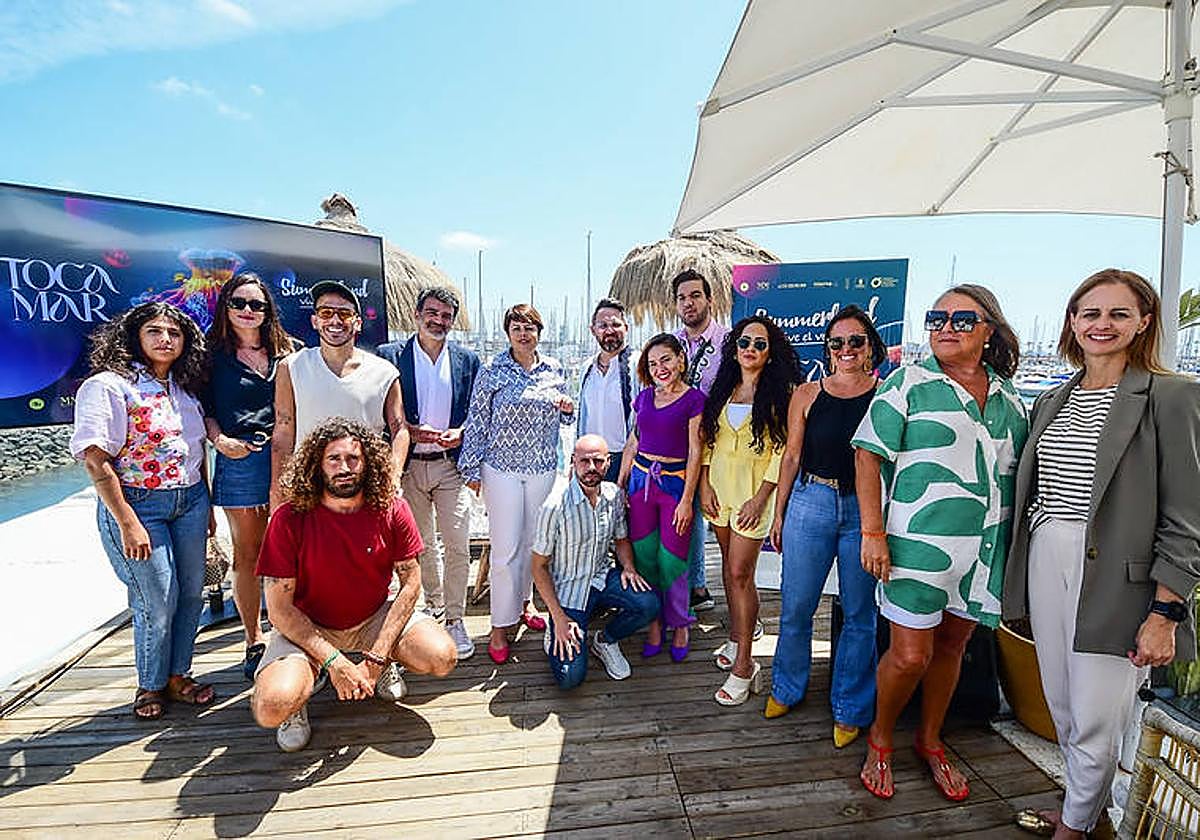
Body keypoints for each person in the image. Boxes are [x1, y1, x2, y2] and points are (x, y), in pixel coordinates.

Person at [1003, 270, 1200, 840]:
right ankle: (1088, 813)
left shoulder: (1173, 396)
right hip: (1048, 554)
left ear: (1143, 322)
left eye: (1118, 313)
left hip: (1120, 578)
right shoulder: (1051, 399)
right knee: (1061, 703)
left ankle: (1073, 827)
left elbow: (1187, 517)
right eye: (1089, 313)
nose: (1102, 324)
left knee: (1096, 712)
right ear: (1071, 322)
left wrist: (1165, 613)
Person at [853, 284, 1028, 802]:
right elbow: (867, 455)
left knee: (953, 647)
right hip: (915, 548)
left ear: (988, 331)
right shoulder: (908, 382)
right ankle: (881, 737)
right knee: (909, 656)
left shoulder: (1010, 398)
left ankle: (930, 739)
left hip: (982, 552)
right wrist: (872, 531)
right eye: (937, 318)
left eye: (960, 319)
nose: (945, 327)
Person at [251, 417, 457, 752]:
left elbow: (410, 583)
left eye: (353, 459)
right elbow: (278, 610)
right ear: (317, 465)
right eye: (334, 459)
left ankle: (386, 662)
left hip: (372, 617)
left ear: (368, 463)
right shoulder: (289, 518)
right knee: (271, 707)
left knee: (442, 656)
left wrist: (376, 658)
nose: (344, 467)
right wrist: (336, 662)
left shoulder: (391, 507)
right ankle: (303, 691)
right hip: (308, 625)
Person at [70, 302, 215, 720]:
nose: (165, 339)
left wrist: (204, 505)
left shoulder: (185, 391)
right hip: (138, 505)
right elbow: (97, 460)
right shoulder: (110, 386)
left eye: (174, 332)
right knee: (157, 598)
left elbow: (195, 452)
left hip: (189, 500)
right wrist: (128, 522)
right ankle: (150, 683)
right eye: (154, 330)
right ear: (135, 335)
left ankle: (177, 675)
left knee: (190, 594)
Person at [766, 305, 884, 748]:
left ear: (869, 346)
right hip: (810, 500)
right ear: (828, 349)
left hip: (864, 511)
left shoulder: (885, 393)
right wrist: (778, 512)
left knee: (860, 614)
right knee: (797, 606)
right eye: (838, 342)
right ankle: (786, 688)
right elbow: (792, 456)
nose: (847, 349)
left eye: (855, 341)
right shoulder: (806, 394)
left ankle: (851, 708)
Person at [459, 304, 575, 664]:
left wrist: (568, 411)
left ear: (540, 332)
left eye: (530, 327)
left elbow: (568, 420)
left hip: (542, 468)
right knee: (505, 549)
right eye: (516, 327)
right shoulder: (492, 370)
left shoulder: (555, 368)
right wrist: (471, 470)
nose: (524, 333)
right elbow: (477, 420)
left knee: (532, 545)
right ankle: (498, 625)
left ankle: (524, 605)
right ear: (507, 332)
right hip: (502, 470)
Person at [376, 288, 481, 660]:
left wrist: (463, 432)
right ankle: (432, 608)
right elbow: (380, 416)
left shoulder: (468, 360)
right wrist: (407, 431)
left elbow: (478, 412)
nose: (439, 321)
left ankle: (455, 617)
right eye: (432, 313)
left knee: (457, 544)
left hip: (450, 467)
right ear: (417, 313)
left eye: (446, 315)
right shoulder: (389, 357)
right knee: (419, 547)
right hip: (408, 468)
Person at [202, 272, 297, 679]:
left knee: (292, 550)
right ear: (226, 307)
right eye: (239, 303)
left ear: (267, 311)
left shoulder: (288, 352)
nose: (247, 311)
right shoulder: (211, 356)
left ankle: (288, 627)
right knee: (249, 553)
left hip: (287, 458)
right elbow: (203, 409)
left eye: (256, 304)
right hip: (239, 459)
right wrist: (219, 440)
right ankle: (253, 638)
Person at [700, 315, 798, 705]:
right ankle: (737, 636)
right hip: (720, 493)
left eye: (759, 344)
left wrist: (762, 499)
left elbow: (784, 452)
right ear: (734, 347)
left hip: (752, 497)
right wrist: (705, 483)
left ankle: (745, 664)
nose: (751, 349)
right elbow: (708, 440)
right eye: (744, 342)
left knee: (741, 573)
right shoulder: (724, 388)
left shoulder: (781, 395)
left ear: (770, 351)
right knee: (728, 569)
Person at [531, 435, 660, 689]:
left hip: (602, 579)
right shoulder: (554, 506)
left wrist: (629, 567)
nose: (591, 467)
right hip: (569, 593)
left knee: (649, 603)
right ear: (572, 462)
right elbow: (538, 566)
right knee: (570, 678)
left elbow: (621, 539)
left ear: (608, 463)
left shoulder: (613, 496)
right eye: (584, 461)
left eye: (598, 461)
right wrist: (558, 618)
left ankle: (606, 640)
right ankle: (556, 627)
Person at [270, 279, 408, 512]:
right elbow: (283, 431)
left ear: (358, 323)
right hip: (308, 487)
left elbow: (400, 429)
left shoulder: (385, 372)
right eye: (326, 312)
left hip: (364, 488)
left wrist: (393, 476)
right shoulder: (291, 367)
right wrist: (277, 491)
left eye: (344, 314)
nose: (335, 321)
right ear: (315, 321)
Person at [618, 333, 705, 661]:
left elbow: (696, 451)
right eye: (653, 363)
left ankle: (680, 623)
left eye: (666, 359)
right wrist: (622, 483)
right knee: (646, 558)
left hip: (674, 486)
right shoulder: (642, 398)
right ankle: (655, 622)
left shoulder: (695, 399)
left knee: (673, 560)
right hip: (641, 484)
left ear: (680, 360)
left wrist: (686, 500)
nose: (660, 368)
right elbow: (633, 443)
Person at [674, 268, 730, 615]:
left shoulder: (728, 341)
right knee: (688, 514)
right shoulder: (672, 342)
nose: (689, 303)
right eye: (682, 298)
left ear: (709, 299)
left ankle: (734, 597)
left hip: (721, 444)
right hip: (678, 445)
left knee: (719, 517)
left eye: (695, 295)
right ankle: (692, 586)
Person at [577, 298, 636, 483]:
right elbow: (582, 417)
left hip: (624, 458)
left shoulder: (637, 364)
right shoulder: (586, 368)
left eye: (615, 324)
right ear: (593, 330)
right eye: (603, 325)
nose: (609, 330)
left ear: (626, 328)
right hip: (590, 461)